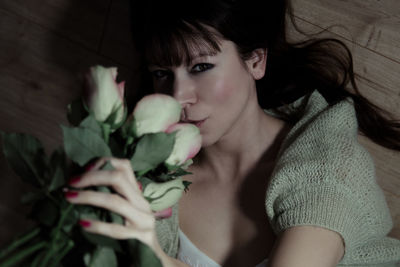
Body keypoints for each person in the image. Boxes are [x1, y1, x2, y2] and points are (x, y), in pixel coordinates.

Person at [65, 0, 400, 266]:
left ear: (256, 61)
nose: (179, 96)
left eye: (201, 67)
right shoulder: (152, 182)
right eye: (162, 74)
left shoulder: (329, 168)